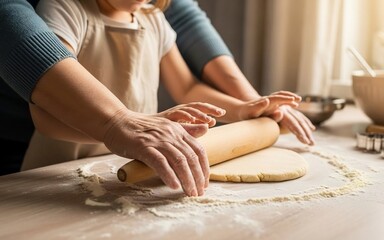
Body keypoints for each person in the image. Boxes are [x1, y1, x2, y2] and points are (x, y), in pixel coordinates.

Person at [0, 0, 314, 196]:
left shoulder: (154, 19)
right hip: (58, 173)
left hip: (124, 164)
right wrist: (115, 128)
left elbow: (188, 87)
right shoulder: (66, 8)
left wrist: (243, 109)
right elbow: (44, 118)